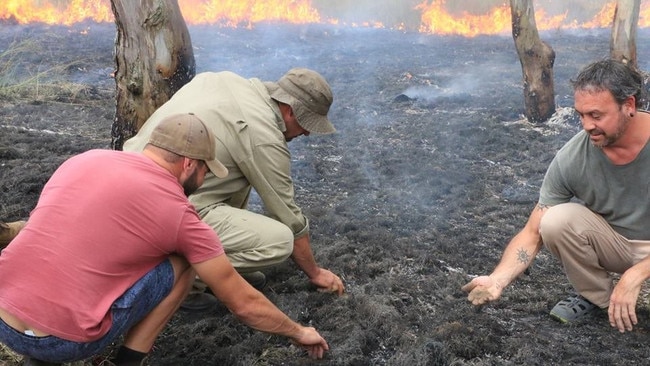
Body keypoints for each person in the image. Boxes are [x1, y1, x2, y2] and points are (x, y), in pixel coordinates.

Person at [0, 113, 329, 365]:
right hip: (64, 343)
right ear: (189, 164)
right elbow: (243, 304)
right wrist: (298, 331)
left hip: (4, 317)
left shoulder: (84, 160)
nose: (205, 178)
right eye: (206, 171)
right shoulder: (179, 213)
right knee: (183, 261)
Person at [121, 67, 345, 309]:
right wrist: (315, 273)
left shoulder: (224, 80)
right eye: (307, 123)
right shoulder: (264, 135)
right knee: (280, 242)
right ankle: (184, 279)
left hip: (127, 185)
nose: (308, 132)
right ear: (290, 111)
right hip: (158, 213)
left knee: (240, 170)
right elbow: (289, 217)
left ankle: (208, 267)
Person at [462, 59, 650, 333]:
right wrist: (497, 280)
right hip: (617, 244)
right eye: (581, 115)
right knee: (554, 220)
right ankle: (598, 296)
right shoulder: (573, 157)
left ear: (629, 106)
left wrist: (636, 275)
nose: (587, 126)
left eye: (596, 115)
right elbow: (533, 232)